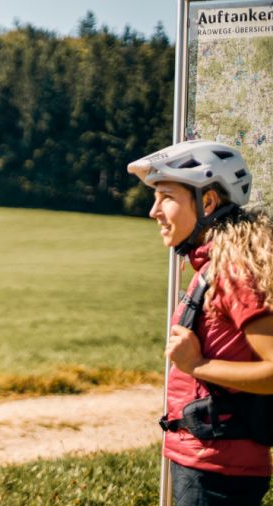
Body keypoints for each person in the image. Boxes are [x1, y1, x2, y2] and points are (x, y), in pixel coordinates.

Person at [128, 139, 273, 505]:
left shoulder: (234, 270)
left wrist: (197, 364)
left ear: (207, 202)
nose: (154, 211)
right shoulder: (216, 264)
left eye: (166, 197)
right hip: (206, 462)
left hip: (219, 470)